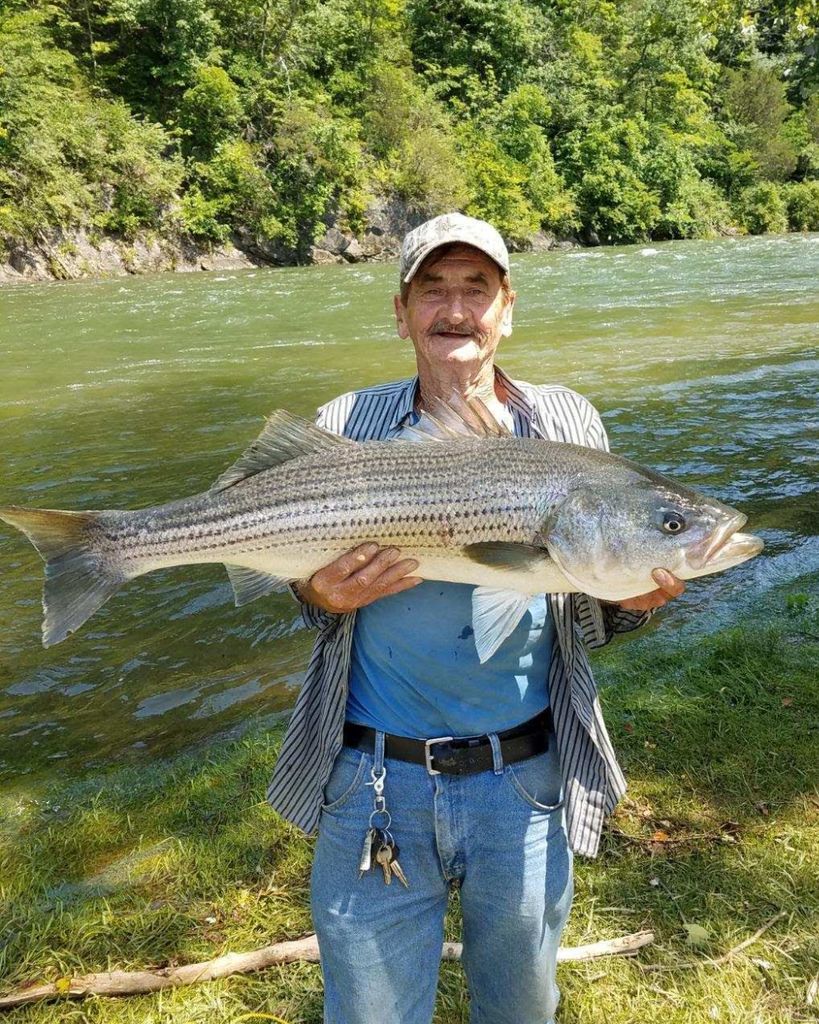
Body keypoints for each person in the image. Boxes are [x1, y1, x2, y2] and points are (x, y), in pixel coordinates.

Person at [267, 213, 684, 1023]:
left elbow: (584, 608)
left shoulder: (570, 424)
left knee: (521, 1004)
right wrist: (319, 595)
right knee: (368, 1010)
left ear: (507, 308)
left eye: (475, 289)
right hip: (372, 775)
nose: (454, 310)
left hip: (526, 777)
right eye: (433, 290)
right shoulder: (343, 421)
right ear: (400, 312)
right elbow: (300, 587)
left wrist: (627, 606)